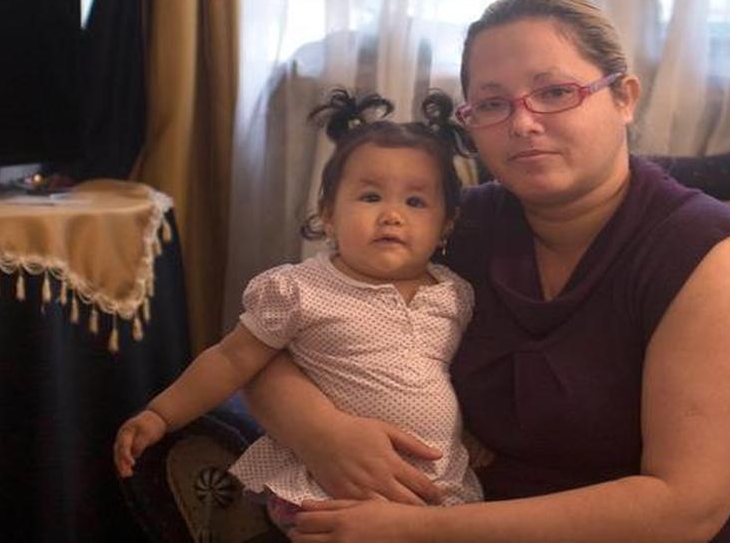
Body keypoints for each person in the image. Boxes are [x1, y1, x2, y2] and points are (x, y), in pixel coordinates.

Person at [242, 0, 730, 543]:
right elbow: (270, 334)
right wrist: (323, 433)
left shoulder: (715, 261)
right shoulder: (459, 228)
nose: (522, 122)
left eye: (556, 92)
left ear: (624, 97)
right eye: (492, 104)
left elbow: (683, 510)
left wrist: (421, 530)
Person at [113, 89, 484, 534]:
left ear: (445, 225)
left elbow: (467, 377)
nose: (392, 215)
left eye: (416, 202)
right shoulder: (297, 289)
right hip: (328, 488)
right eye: (370, 197)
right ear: (328, 213)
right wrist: (161, 413)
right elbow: (231, 359)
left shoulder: (455, 294)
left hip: (435, 487)